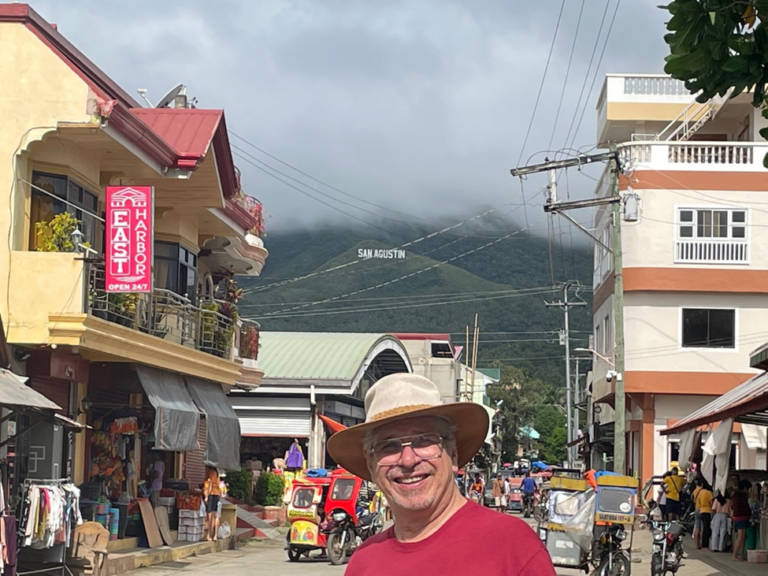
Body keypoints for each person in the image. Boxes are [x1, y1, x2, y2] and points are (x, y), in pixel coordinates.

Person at [327, 373, 556, 575]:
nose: (408, 460)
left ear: (453, 454)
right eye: (389, 445)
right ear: (371, 465)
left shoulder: (511, 546)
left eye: (424, 440)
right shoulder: (364, 562)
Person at [731, 479, 752, 561]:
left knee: (743, 537)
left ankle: (741, 554)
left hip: (739, 517)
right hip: (741, 518)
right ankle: (734, 555)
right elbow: (742, 508)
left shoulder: (737, 495)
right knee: (740, 538)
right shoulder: (741, 496)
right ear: (745, 488)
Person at [203, 466, 222, 541]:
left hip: (212, 494)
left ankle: (209, 535)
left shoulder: (211, 472)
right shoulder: (217, 473)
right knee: (215, 516)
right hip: (216, 494)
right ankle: (215, 535)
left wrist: (207, 496)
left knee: (210, 515)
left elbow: (210, 485)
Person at [695, 480, 713, 551]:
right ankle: (704, 545)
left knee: (698, 528)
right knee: (706, 529)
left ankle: (698, 544)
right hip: (707, 511)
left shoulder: (700, 491)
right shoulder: (709, 493)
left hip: (700, 509)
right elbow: (711, 503)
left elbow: (697, 501)